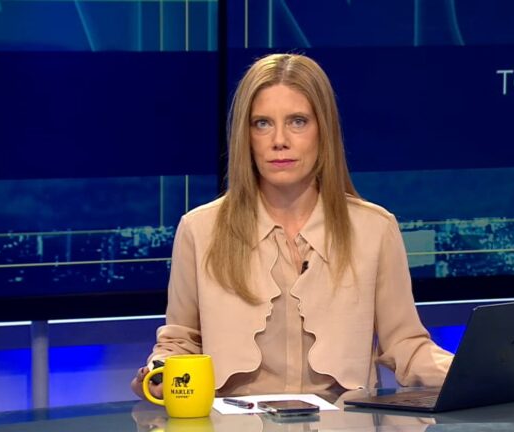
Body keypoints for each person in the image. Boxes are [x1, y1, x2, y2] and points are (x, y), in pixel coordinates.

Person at [131, 53, 453, 400]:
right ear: (245, 135)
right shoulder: (200, 230)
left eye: (298, 122)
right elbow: (179, 342)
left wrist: (474, 372)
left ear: (323, 130)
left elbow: (406, 345)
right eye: (262, 124)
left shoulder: (374, 229)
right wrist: (160, 371)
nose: (279, 140)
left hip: (343, 422)